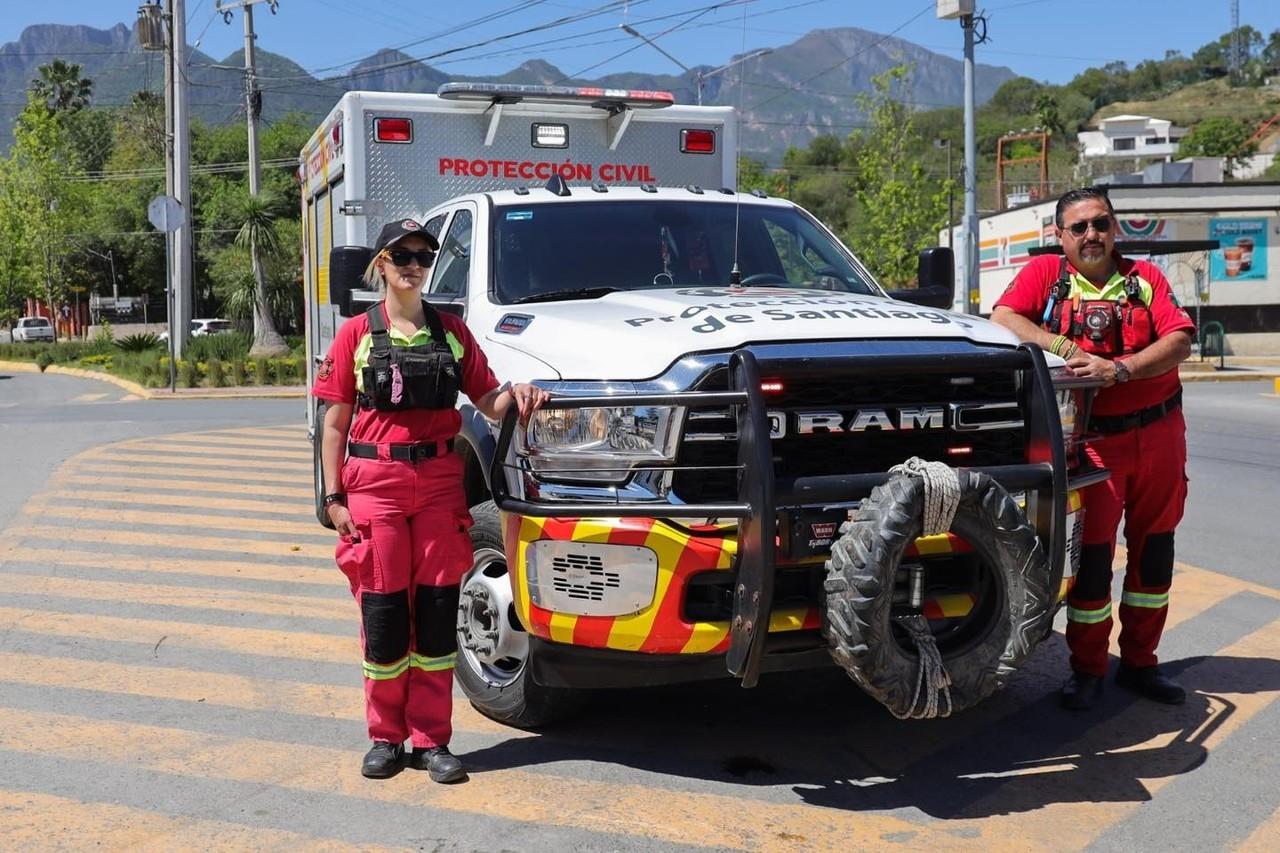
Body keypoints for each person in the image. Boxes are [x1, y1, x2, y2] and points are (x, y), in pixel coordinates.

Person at [312, 219, 549, 780]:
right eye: (401, 255)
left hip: (440, 486)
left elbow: (488, 402)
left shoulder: (452, 332)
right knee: (385, 611)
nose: (413, 264)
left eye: (423, 255)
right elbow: (334, 422)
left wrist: (516, 392)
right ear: (382, 265)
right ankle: (386, 737)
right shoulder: (355, 335)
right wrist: (331, 497)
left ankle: (431, 740)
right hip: (376, 487)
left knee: (439, 614)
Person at [992, 187, 1195, 711]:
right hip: (1095, 442)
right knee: (1093, 560)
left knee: (1155, 553)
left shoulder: (1144, 279)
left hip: (1160, 434)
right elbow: (1004, 317)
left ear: (1115, 228)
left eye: (1101, 224)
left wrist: (1120, 368)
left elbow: (1179, 341)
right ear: (1059, 236)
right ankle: (1087, 669)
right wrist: (1067, 349)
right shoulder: (1047, 277)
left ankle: (1141, 664)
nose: (1091, 235)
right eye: (1078, 227)